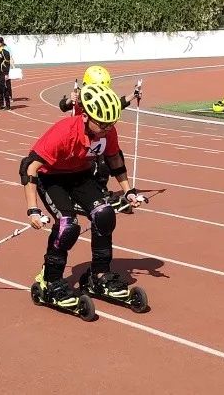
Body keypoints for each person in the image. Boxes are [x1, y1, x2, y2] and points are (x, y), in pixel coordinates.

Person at [19, 83, 145, 310]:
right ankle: (51, 281)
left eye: (111, 124)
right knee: (68, 226)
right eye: (102, 124)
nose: (107, 128)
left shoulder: (107, 132)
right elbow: (29, 167)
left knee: (104, 214)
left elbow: (115, 159)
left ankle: (99, 275)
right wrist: (33, 209)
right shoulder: (64, 132)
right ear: (86, 116)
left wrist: (128, 190)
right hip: (52, 178)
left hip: (80, 175)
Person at [58, 65, 139, 114]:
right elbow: (63, 106)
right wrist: (70, 100)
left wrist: (134, 95)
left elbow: (116, 104)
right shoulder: (81, 97)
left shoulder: (102, 99)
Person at [0, 37, 12, 110]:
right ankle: (1, 104)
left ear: (0, 44)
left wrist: (6, 74)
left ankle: (8, 105)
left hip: (3, 73)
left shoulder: (5, 52)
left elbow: (7, 64)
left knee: (4, 89)